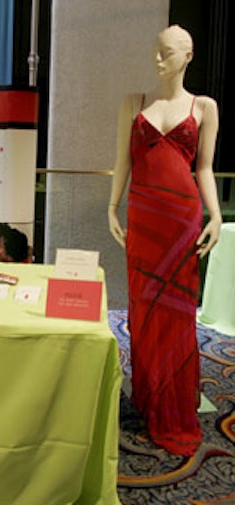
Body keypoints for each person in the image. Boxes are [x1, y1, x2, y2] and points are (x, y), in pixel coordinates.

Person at [108, 25, 222, 456]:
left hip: (181, 223)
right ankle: (150, 397)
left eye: (167, 53)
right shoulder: (133, 104)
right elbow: (123, 161)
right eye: (155, 51)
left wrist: (214, 214)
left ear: (188, 56)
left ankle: (172, 410)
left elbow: (204, 168)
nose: (158, 59)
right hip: (144, 220)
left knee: (175, 314)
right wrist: (111, 206)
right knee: (143, 311)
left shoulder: (204, 107)